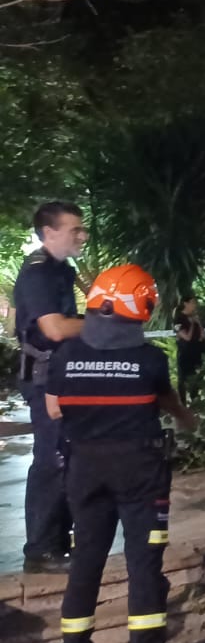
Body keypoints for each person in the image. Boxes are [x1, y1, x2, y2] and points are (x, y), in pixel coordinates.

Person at [47, 264, 198, 643]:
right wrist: (187, 420)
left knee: (86, 558)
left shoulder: (65, 355)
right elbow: (169, 404)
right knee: (143, 560)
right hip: (139, 470)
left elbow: (53, 409)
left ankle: (75, 642)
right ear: (141, 307)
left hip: (84, 468)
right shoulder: (150, 359)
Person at [14, 201, 87, 574]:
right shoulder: (38, 273)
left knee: (68, 457)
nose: (83, 236)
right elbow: (54, 328)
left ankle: (58, 543)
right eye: (75, 229)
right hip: (44, 378)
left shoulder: (62, 270)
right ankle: (41, 549)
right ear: (49, 232)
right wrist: (109, 324)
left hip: (62, 374)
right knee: (52, 459)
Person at [173, 296, 205, 405]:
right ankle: (182, 403)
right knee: (182, 378)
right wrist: (191, 324)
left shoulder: (194, 318)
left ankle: (195, 399)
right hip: (184, 352)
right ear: (185, 303)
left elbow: (202, 335)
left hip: (196, 352)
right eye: (192, 302)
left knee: (195, 376)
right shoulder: (178, 319)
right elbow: (187, 337)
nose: (194, 305)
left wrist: (198, 323)